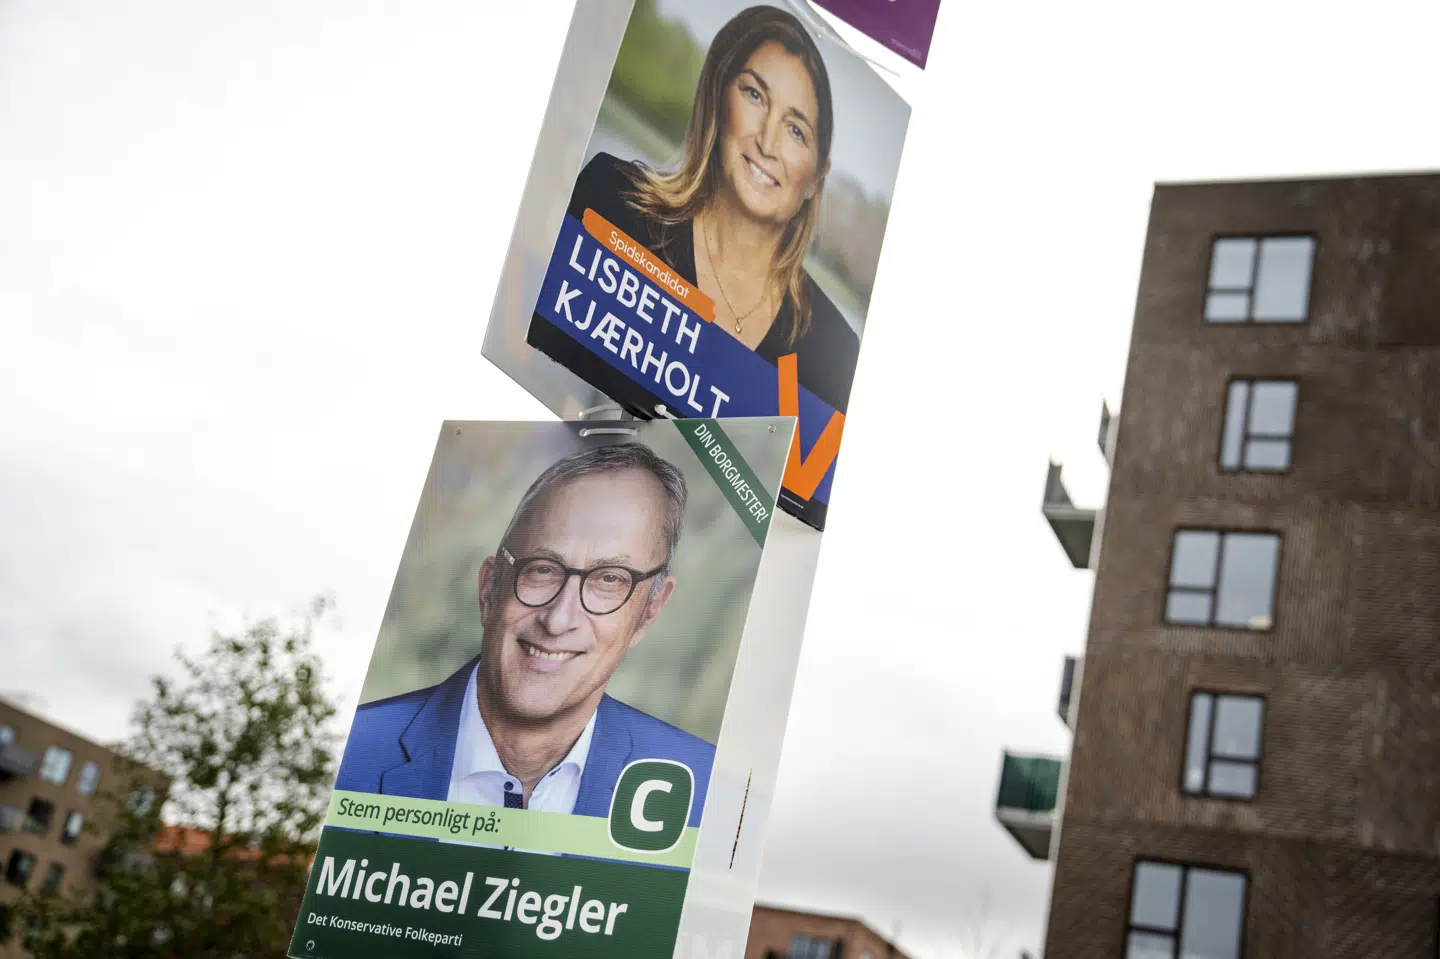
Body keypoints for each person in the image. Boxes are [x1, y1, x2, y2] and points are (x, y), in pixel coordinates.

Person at [333, 442, 712, 828]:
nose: (558, 620)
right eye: (542, 569)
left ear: (649, 611)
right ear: (489, 588)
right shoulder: (351, 749)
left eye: (610, 579)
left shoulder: (704, 793)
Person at [564, 4, 858, 415]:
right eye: (754, 95)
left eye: (796, 131)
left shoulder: (835, 355)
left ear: (815, 177)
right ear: (719, 97)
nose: (767, 142)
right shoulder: (610, 203)